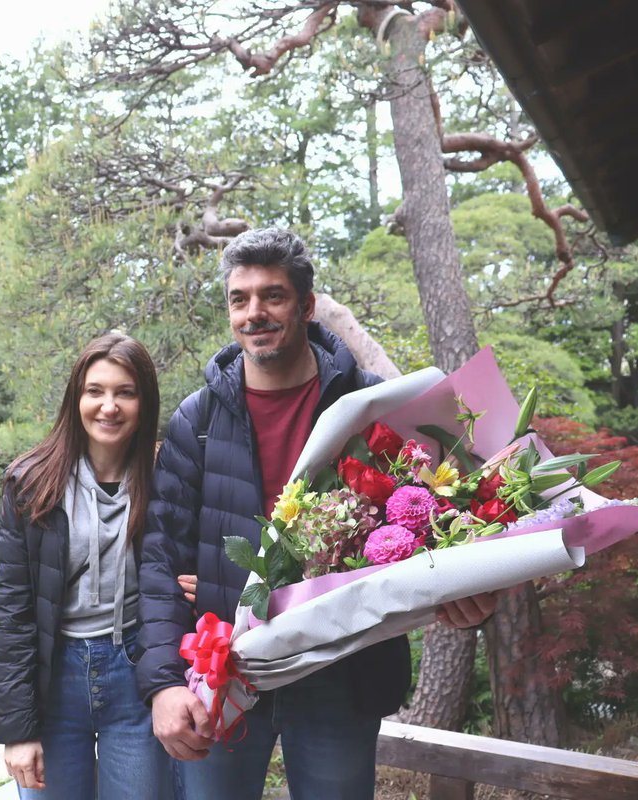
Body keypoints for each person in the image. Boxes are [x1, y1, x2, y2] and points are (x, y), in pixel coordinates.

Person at [135, 228, 495, 800]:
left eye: (273, 296)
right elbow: (158, 559)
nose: (254, 312)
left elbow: (438, 522)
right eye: (239, 299)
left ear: (306, 306)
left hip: (342, 672)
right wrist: (161, 684)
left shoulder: (376, 408)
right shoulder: (197, 420)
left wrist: (468, 593)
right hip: (224, 667)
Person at [0, 332, 175, 800]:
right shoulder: (31, 483)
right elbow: (12, 614)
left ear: (144, 402)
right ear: (77, 398)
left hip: (135, 672)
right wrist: (18, 731)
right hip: (54, 678)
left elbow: (181, 566)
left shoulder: (165, 477)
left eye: (125, 392)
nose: (109, 406)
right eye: (96, 391)